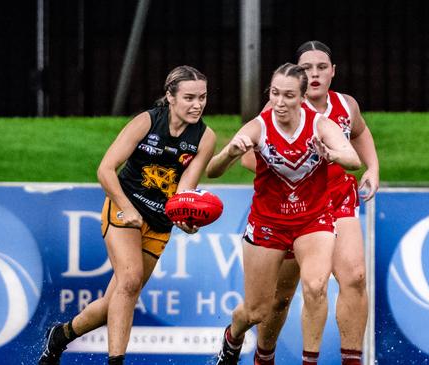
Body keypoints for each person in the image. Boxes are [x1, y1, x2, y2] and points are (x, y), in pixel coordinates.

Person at [38, 65, 216, 365]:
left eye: (203, 97)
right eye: (189, 97)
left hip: (160, 222)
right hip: (124, 207)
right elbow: (105, 170)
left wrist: (186, 217)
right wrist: (129, 209)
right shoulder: (146, 121)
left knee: (115, 301)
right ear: (170, 96)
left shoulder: (205, 137)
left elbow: (185, 189)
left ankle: (60, 336)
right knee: (130, 281)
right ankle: (116, 361)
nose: (197, 104)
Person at [207, 63, 361, 365]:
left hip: (313, 220)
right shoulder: (259, 126)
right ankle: (232, 337)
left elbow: (353, 159)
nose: (279, 102)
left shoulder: (319, 125)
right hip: (268, 224)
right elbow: (212, 171)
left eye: (288, 95)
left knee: (316, 286)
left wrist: (332, 155)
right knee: (257, 310)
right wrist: (230, 153)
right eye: (275, 93)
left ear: (302, 97)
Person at [241, 41, 379, 365]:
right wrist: (290, 175)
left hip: (338, 198)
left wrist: (372, 169)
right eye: (306, 68)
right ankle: (264, 356)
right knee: (279, 298)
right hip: (295, 207)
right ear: (298, 76)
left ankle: (352, 360)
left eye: (321, 67)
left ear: (333, 72)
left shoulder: (346, 105)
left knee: (355, 277)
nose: (314, 74)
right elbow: (249, 157)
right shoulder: (275, 112)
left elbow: (360, 133)